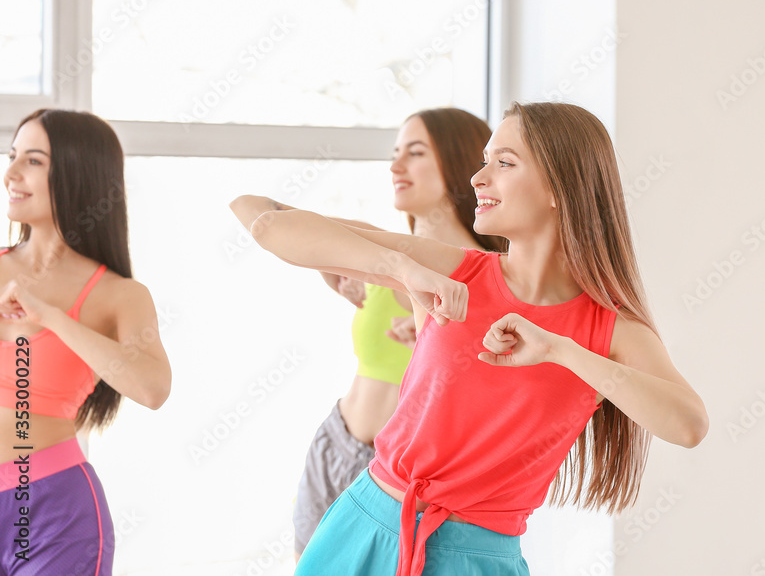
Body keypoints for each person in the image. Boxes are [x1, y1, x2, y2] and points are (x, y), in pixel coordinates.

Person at [231, 101, 708, 576]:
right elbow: (270, 225)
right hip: (364, 524)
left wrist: (560, 351)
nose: (479, 178)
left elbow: (688, 425)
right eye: (484, 161)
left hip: (476, 558)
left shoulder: (611, 329)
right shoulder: (451, 269)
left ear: (560, 187)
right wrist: (400, 268)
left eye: (504, 163)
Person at [243, 108, 506, 558]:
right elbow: (251, 207)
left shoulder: (493, 277)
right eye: (394, 153)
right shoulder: (378, 249)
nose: (395, 166)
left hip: (398, 481)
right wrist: (336, 263)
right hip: (334, 444)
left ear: (463, 163)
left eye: (415, 152)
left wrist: (433, 342)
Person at [0, 109, 171, 576]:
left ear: (78, 170)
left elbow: (152, 387)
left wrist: (51, 317)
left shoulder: (118, 295)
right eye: (13, 156)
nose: (11, 172)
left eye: (33, 160)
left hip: (54, 514)